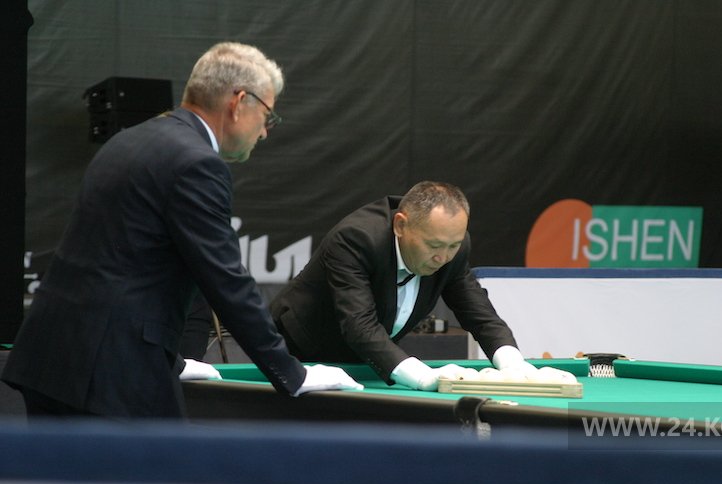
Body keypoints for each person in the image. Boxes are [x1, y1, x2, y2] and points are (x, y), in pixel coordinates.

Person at [2, 42, 361, 418]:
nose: (265, 133)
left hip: (50, 358)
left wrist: (171, 360)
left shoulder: (128, 140)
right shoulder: (197, 163)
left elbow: (115, 265)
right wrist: (293, 373)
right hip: (107, 373)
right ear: (240, 102)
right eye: (267, 116)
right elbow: (226, 281)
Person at [270, 181, 575, 390]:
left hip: (368, 361)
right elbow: (359, 325)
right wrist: (423, 377)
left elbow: (479, 314)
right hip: (300, 353)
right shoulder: (356, 239)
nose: (443, 257)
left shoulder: (452, 248)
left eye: (453, 245)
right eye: (434, 245)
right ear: (400, 225)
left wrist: (514, 365)